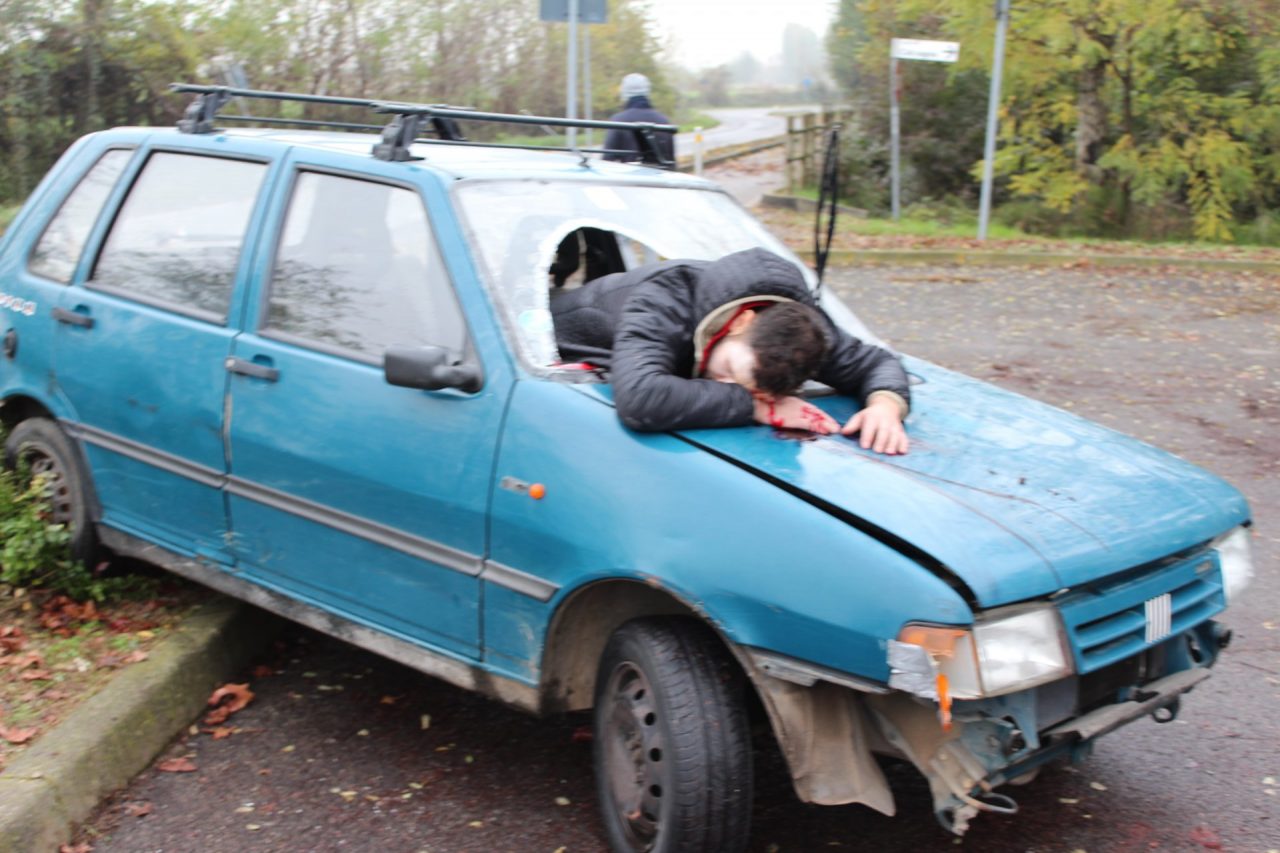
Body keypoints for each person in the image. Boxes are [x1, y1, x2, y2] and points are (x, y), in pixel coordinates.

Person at [552, 247, 910, 454]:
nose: (728, 384)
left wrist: (885, 405)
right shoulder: (662, 300)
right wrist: (753, 404)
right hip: (545, 349)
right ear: (741, 321)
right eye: (732, 374)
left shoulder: (800, 329)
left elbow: (875, 362)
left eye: (760, 392)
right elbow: (640, 398)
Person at [601, 73, 676, 165]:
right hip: (658, 178)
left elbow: (607, 161)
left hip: (630, 178)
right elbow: (671, 162)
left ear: (624, 93)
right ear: (647, 91)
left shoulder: (618, 121)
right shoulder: (663, 121)